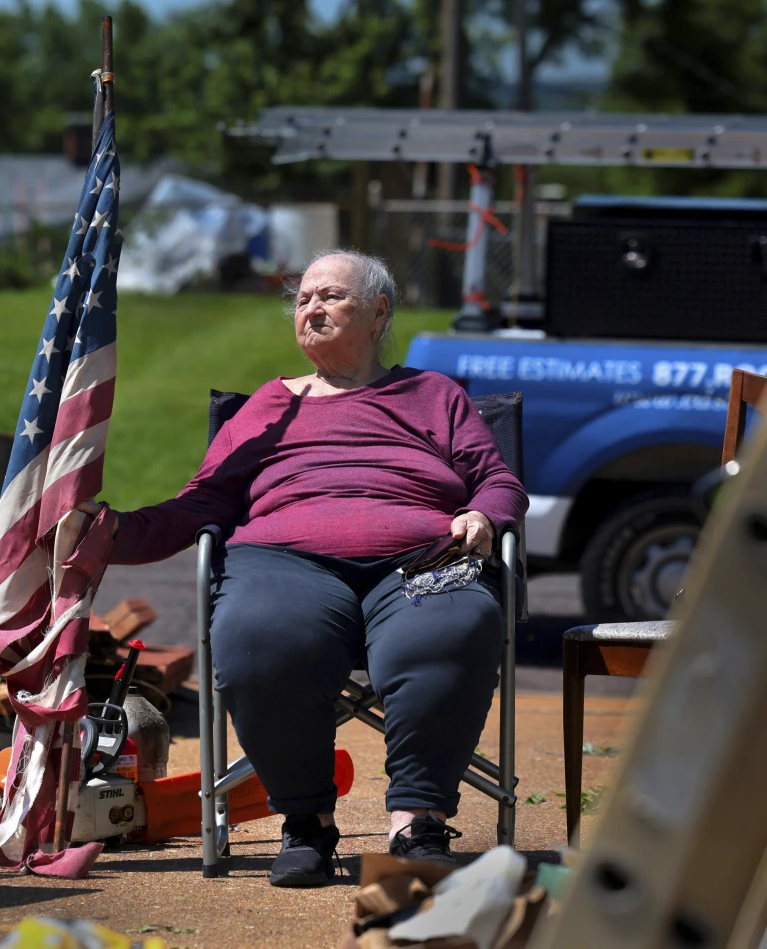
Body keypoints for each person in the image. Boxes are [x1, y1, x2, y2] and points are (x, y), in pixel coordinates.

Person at [84, 250, 527, 886]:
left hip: (421, 560)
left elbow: (499, 480)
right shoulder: (267, 406)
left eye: (329, 296)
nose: (310, 308)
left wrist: (484, 514)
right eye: (302, 300)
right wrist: (110, 533)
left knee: (451, 626)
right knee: (260, 636)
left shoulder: (434, 395)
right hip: (285, 563)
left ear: (378, 312)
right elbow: (202, 503)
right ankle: (306, 822)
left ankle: (417, 820)